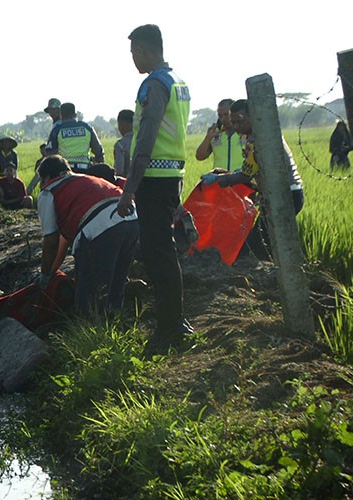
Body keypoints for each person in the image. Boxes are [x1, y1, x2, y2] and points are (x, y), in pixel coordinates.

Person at [116, 24, 192, 354]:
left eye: (134, 53)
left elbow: (145, 137)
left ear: (145, 51)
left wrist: (130, 187)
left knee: (158, 252)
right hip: (171, 174)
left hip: (154, 179)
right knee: (163, 251)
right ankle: (174, 322)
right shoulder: (178, 82)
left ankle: (169, 329)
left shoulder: (154, 85)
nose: (133, 59)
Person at [201, 99, 304, 261]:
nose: (235, 127)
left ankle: (275, 278)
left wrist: (218, 180)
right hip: (281, 194)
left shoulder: (258, 139)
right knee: (264, 242)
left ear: (252, 117)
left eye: (239, 121)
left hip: (285, 196)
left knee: (257, 244)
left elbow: (245, 175)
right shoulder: (260, 135)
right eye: (233, 122)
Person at [37, 155, 139, 317]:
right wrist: (52, 271)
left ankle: (89, 333)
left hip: (100, 227)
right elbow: (63, 242)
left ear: (47, 177)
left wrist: (44, 275)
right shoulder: (86, 180)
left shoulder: (49, 191)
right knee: (116, 284)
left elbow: (51, 240)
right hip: (131, 221)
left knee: (90, 293)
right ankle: (115, 323)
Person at [46, 102, 105, 173]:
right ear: (75, 115)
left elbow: (50, 154)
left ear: (61, 116)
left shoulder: (57, 130)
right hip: (85, 169)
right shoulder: (87, 127)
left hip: (65, 171)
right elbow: (98, 151)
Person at [195, 98, 244, 172]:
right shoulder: (215, 134)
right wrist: (208, 138)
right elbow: (200, 156)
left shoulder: (245, 131)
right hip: (220, 180)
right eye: (220, 115)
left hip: (241, 180)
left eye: (226, 114)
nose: (223, 119)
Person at [113, 109, 134, 177]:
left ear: (121, 125)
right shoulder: (143, 141)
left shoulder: (120, 145)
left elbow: (119, 170)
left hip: (127, 184)